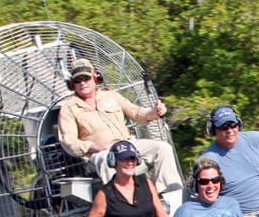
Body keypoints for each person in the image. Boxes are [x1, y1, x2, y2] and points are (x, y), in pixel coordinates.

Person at [58, 58, 183, 192]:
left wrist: (154, 112)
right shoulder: (68, 108)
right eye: (78, 80)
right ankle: (122, 203)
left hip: (128, 144)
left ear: (95, 78)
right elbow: (69, 141)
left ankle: (171, 197)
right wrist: (95, 147)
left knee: (162, 148)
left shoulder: (111, 95)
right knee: (108, 161)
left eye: (86, 78)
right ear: (72, 84)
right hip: (101, 153)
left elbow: (135, 112)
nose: (83, 83)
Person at [199, 105, 259, 214]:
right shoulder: (207, 161)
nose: (230, 130)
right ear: (213, 130)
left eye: (233, 125)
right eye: (224, 127)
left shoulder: (253, 139)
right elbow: (201, 199)